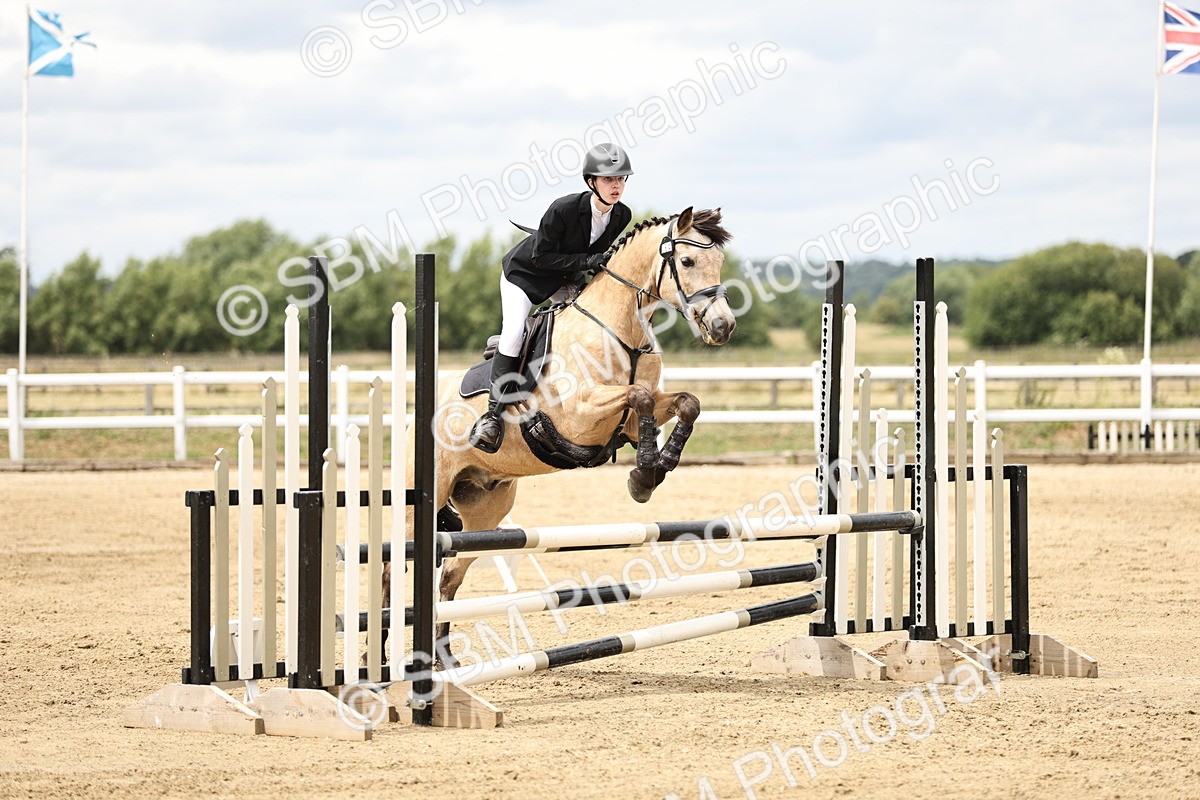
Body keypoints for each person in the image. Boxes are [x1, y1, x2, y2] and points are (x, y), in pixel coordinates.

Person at [469, 142, 634, 453]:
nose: (616, 186)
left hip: (564, 278)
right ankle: (492, 416)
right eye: (609, 179)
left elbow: (595, 258)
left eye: (620, 179)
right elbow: (540, 257)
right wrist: (587, 261)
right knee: (514, 332)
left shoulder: (621, 215)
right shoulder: (564, 209)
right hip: (525, 275)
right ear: (591, 182)